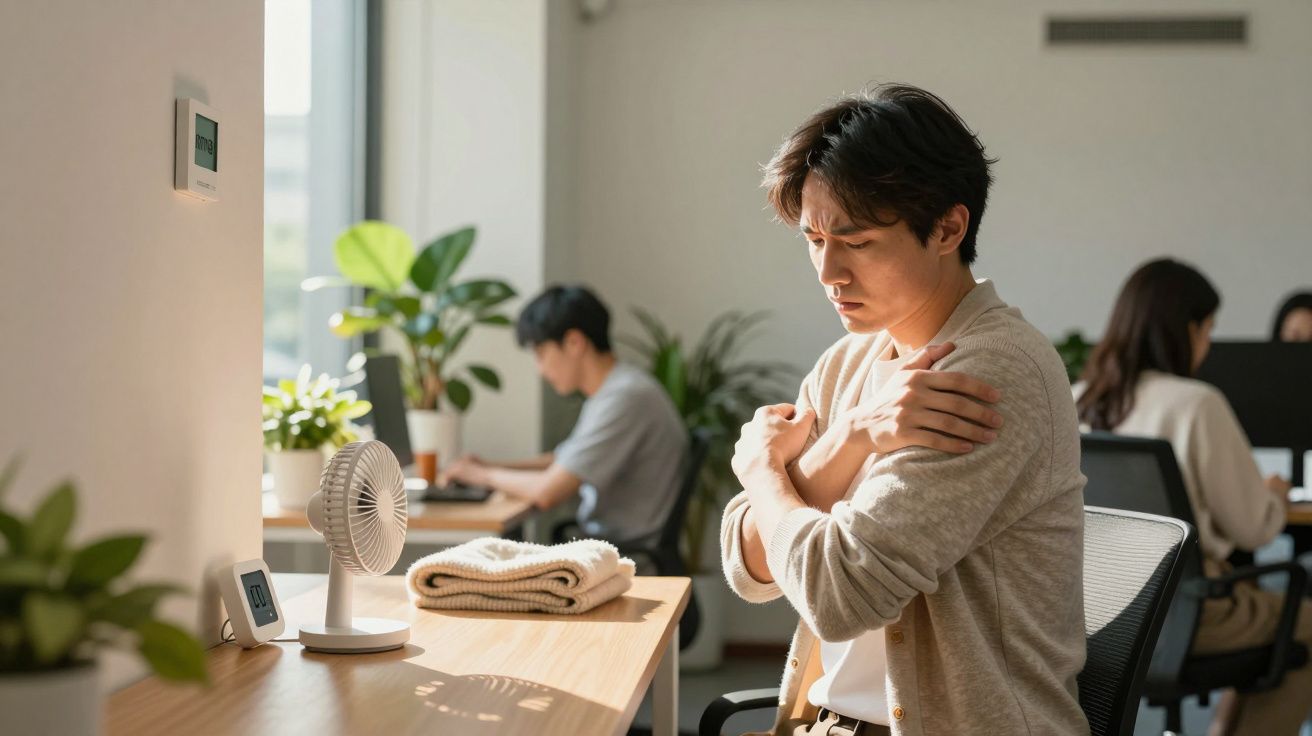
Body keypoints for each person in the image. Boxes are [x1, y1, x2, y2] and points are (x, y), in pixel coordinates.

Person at [720, 84, 1088, 736]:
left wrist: (764, 473)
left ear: (948, 228)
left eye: (856, 242)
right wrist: (853, 438)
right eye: (813, 238)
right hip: (829, 725)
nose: (829, 271)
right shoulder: (850, 363)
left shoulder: (992, 372)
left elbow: (839, 596)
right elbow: (748, 569)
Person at [1076, 258, 1310, 735]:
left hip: (1097, 615)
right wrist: (1270, 496)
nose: (1206, 345)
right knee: (1302, 619)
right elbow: (1254, 527)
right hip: (1188, 613)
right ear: (1186, 329)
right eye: (1207, 330)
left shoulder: (1077, 399)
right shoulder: (1195, 403)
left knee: (1273, 625)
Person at [443, 285, 686, 548]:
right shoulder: (616, 389)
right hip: (613, 547)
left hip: (626, 558)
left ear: (574, 342)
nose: (540, 370)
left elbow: (547, 492)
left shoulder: (624, 398)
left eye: (541, 354)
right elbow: (564, 460)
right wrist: (490, 466)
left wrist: (482, 476)